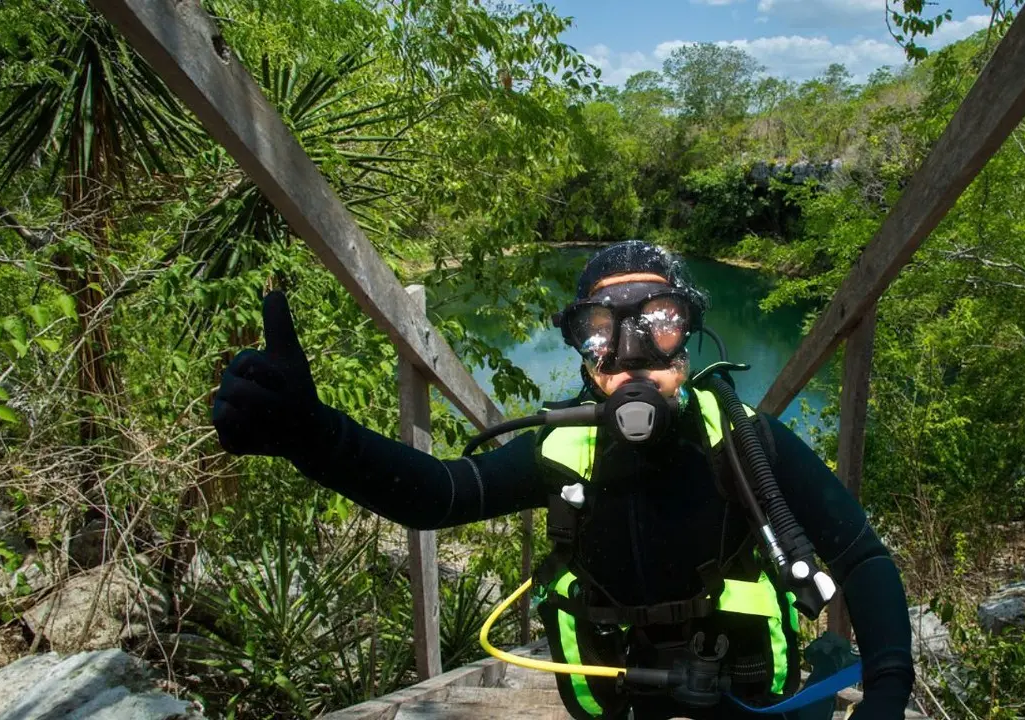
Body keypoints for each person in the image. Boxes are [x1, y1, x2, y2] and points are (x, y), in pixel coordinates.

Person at [211, 241, 914, 719]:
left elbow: (862, 556)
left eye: (659, 323)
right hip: (620, 688)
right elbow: (435, 495)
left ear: (689, 338)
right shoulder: (563, 448)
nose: (632, 354)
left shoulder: (743, 440)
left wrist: (886, 689)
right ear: (582, 352)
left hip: (743, 685)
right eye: (603, 331)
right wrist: (313, 436)